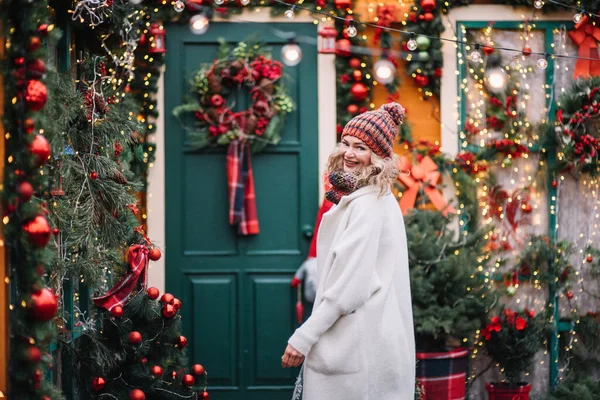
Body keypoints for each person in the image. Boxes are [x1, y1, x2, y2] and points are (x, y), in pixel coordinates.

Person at [281, 102, 415, 400]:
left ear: (378, 157)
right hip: (368, 336)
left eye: (361, 148)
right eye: (346, 143)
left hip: (360, 341)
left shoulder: (368, 204)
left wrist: (304, 337)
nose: (349, 154)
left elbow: (349, 287)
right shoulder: (374, 198)